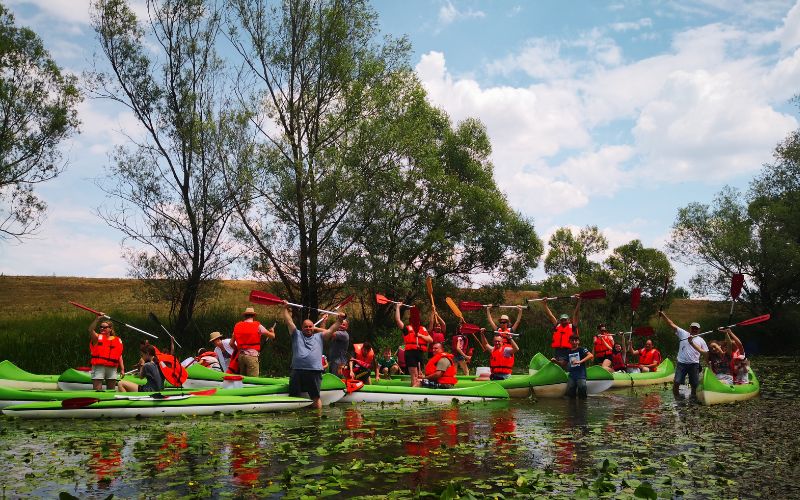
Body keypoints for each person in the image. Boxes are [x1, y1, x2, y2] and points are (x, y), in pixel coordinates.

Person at [281, 304, 344, 409]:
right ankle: (296, 417)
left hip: (314, 371)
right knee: (294, 396)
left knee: (315, 397)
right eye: (306, 327)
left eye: (310, 326)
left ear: (313, 327)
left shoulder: (319, 336)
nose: (308, 328)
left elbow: (331, 330)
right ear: (302, 328)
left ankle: (318, 418)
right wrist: (285, 308)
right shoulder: (296, 334)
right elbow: (289, 322)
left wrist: (340, 320)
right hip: (297, 370)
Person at [660, 311, 707, 397]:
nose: (694, 330)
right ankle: (676, 398)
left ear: (699, 330)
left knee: (694, 384)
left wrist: (709, 364)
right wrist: (663, 315)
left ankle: (693, 398)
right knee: (677, 382)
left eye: (696, 328)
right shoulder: (683, 334)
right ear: (690, 328)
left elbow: (706, 353)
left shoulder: (701, 340)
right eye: (693, 328)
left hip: (694, 364)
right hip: (681, 363)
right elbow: (672, 324)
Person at [395, 302, 433, 387]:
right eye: (414, 319)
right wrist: (398, 307)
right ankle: (413, 391)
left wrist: (420, 335)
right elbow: (398, 320)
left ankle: (415, 389)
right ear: (411, 320)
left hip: (420, 353)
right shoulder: (407, 328)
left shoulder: (422, 329)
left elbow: (430, 340)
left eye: (417, 320)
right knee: (414, 375)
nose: (416, 321)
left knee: (420, 375)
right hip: (410, 353)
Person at [230, 307, 276, 377]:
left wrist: (238, 350)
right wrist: (272, 331)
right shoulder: (257, 326)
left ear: (245, 316)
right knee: (253, 381)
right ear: (254, 316)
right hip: (252, 357)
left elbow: (231, 343)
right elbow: (272, 336)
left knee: (243, 380)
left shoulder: (237, 326)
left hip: (241, 357)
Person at [542, 297, 581, 368]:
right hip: (558, 350)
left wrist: (578, 302)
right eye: (562, 320)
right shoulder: (557, 325)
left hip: (570, 349)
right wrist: (545, 304)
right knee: (559, 367)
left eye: (565, 320)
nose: (563, 321)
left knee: (570, 366)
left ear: (568, 320)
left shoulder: (572, 326)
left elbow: (575, 314)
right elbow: (550, 316)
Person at [89, 314, 124, 391]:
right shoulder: (97, 338)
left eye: (104, 327)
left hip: (112, 367)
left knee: (111, 390)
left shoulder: (117, 340)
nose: (102, 328)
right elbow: (91, 330)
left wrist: (122, 369)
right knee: (97, 390)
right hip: (99, 367)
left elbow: (119, 355)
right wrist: (97, 319)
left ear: (110, 329)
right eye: (101, 327)